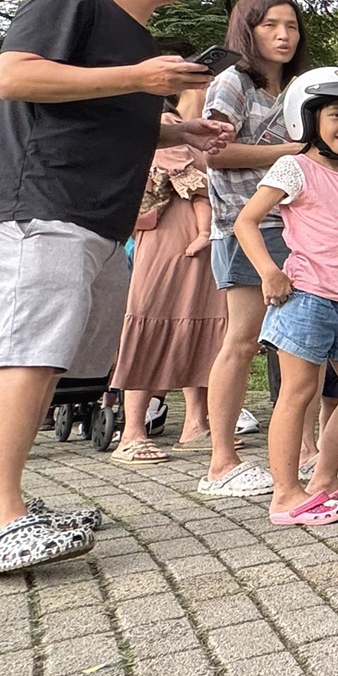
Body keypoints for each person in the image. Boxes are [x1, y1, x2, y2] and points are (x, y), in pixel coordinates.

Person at [0, 0, 232, 579]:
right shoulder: (72, 2)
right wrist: (140, 80)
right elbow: (14, 78)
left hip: (98, 219)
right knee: (28, 353)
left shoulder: (139, 45)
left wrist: (178, 133)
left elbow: (111, 116)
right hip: (40, 208)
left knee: (51, 357)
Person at [234, 66, 338, 527]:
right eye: (336, 114)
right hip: (306, 299)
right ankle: (285, 495)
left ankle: (323, 480)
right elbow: (246, 221)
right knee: (299, 392)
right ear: (308, 118)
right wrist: (269, 272)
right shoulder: (294, 167)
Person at [195, 0, 308, 499]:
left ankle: (305, 452)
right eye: (270, 26)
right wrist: (293, 151)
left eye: (292, 26)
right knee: (242, 341)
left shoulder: (301, 88)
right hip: (245, 225)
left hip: (302, 227)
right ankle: (221, 461)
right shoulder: (233, 82)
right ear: (248, 30)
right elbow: (212, 152)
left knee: (300, 342)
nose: (283, 35)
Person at [108, 93, 227, 463]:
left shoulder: (186, 132)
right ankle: (131, 432)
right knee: (151, 318)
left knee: (204, 325)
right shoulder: (157, 130)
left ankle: (196, 425)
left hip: (201, 241)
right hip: (165, 239)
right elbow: (194, 181)